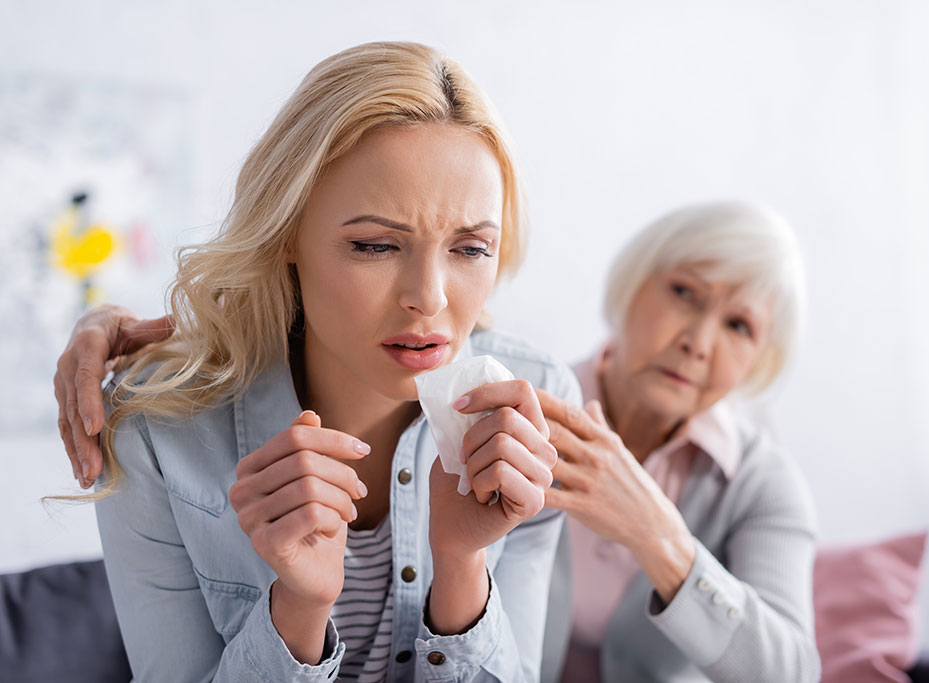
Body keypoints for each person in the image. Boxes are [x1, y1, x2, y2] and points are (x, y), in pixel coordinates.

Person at [53, 41, 581, 682]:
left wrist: (464, 565)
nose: (430, 297)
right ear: (287, 237)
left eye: (470, 248)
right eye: (375, 245)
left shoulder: (537, 405)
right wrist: (297, 610)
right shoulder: (158, 432)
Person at [538, 202, 820, 682]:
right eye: (685, 293)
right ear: (634, 284)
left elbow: (789, 673)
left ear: (759, 360)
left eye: (738, 326)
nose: (699, 342)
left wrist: (660, 539)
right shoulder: (524, 410)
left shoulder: (761, 483)